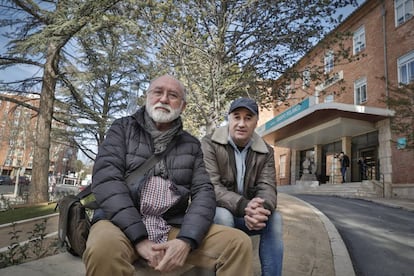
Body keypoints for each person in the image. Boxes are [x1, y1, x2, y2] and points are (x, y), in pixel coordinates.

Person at [83, 75, 253, 276]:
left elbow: (204, 192)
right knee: (103, 249)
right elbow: (107, 180)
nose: (164, 99)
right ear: (147, 97)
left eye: (173, 95)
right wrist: (139, 238)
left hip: (169, 225)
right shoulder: (122, 128)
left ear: (183, 107)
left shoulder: (191, 144)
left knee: (238, 243)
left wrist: (186, 240)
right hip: (119, 224)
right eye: (158, 92)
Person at [201, 97, 284, 276]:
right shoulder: (209, 143)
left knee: (274, 219)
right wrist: (245, 206)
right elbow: (211, 187)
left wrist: (259, 210)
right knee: (224, 216)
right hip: (215, 214)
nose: (241, 123)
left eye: (248, 118)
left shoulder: (266, 151)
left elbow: (267, 187)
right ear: (229, 119)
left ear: (255, 122)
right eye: (236, 117)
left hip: (247, 216)